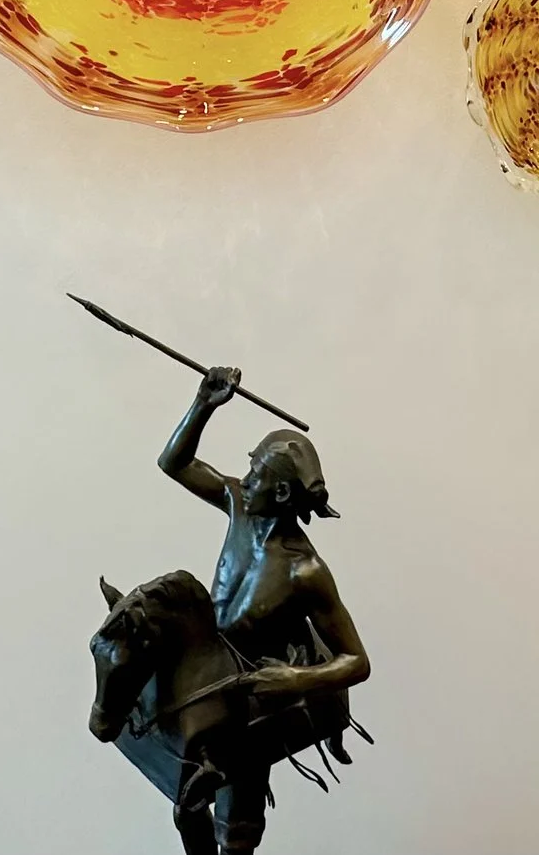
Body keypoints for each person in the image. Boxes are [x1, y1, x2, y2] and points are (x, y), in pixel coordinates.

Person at [157, 364, 370, 855]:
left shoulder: (305, 572)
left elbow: (357, 661)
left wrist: (295, 680)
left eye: (257, 473)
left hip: (251, 696)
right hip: (206, 676)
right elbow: (174, 463)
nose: (246, 479)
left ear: (281, 492)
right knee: (185, 807)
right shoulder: (238, 503)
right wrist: (203, 404)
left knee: (236, 827)